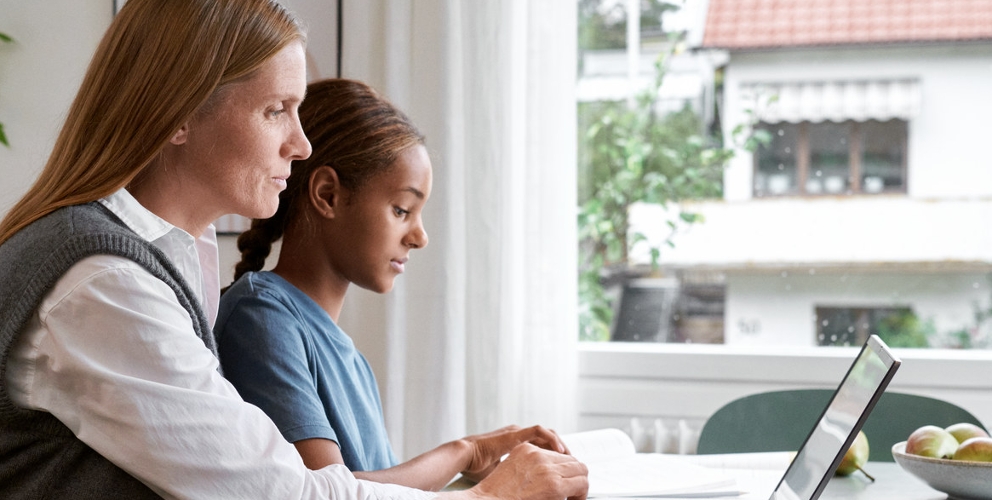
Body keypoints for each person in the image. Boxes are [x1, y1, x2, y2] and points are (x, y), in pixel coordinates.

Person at [0, 1, 588, 499]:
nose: (300, 144)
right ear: (178, 115)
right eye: (275, 110)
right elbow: (290, 492)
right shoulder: (103, 285)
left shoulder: (170, 260)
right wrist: (491, 493)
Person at [214, 77, 579, 492]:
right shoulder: (261, 317)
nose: (419, 236)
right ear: (328, 194)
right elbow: (325, 490)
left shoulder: (352, 361)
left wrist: (473, 462)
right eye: (402, 209)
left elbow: (377, 492)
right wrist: (463, 451)